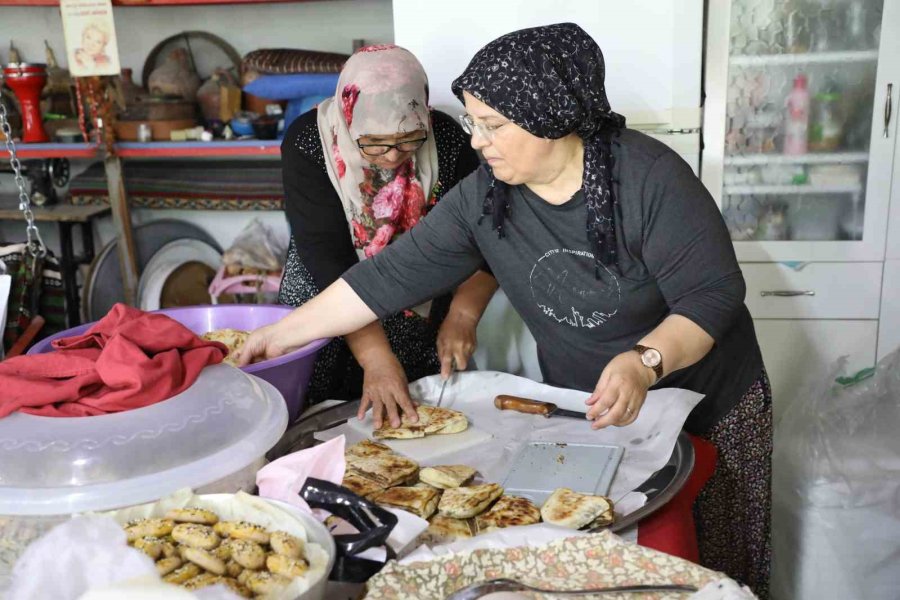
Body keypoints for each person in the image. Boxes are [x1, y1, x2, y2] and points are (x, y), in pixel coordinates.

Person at [245, 24, 770, 597]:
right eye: (473, 123)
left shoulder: (648, 178)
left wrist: (644, 361)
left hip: (708, 395)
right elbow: (385, 277)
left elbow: (712, 295)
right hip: (586, 402)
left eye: (493, 125)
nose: (476, 141)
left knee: (717, 561)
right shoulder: (486, 196)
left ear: (553, 117)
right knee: (600, 561)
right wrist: (277, 336)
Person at [278, 44, 491, 429]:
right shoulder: (310, 141)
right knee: (321, 423)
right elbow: (328, 259)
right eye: (373, 143)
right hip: (327, 298)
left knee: (412, 422)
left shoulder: (449, 139)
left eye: (410, 139)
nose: (393, 157)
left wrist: (463, 315)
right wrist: (375, 358)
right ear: (348, 120)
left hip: (418, 302)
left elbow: (485, 235)